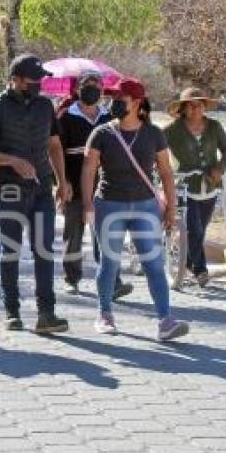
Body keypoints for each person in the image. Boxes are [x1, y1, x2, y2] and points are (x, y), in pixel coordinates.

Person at [82, 79, 190, 340]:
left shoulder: (154, 134)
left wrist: (171, 209)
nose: (114, 103)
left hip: (145, 206)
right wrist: (87, 206)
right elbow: (88, 170)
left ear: (137, 102)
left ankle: (165, 321)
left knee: (153, 264)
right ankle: (105, 314)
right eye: (113, 98)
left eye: (121, 98)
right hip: (109, 205)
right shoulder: (102, 133)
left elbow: (166, 172)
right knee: (109, 263)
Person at [0, 54, 71, 334]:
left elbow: (54, 146)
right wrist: (12, 161)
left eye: (40, 79)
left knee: (44, 250)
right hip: (7, 189)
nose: (38, 84)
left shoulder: (45, 106)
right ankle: (12, 311)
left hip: (41, 188)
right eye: (33, 79)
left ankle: (46, 313)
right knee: (11, 251)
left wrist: (62, 181)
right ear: (15, 80)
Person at [58, 71, 134, 298]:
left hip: (105, 186)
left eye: (96, 85)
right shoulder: (65, 117)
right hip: (73, 183)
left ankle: (113, 281)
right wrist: (62, 183)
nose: (92, 88)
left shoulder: (109, 118)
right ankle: (71, 278)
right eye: (86, 84)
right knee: (73, 233)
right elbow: (56, 152)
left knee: (106, 234)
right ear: (77, 89)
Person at [164, 87, 226, 288]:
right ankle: (201, 270)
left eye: (200, 105)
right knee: (193, 229)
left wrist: (220, 168)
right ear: (183, 108)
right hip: (185, 187)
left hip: (210, 187)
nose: (196, 109)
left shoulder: (214, 126)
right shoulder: (171, 130)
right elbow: (156, 151)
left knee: (200, 230)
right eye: (191, 105)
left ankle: (186, 263)